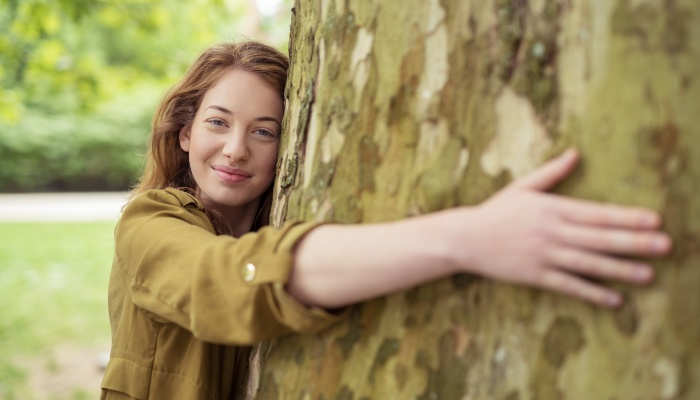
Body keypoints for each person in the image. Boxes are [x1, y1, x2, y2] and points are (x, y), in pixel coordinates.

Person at [100, 41, 672, 399]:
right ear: (184, 133)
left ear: (290, 145)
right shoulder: (147, 223)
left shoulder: (273, 219)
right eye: (218, 123)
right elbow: (222, 280)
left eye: (264, 130)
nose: (235, 150)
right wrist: (469, 238)